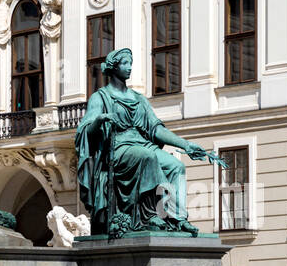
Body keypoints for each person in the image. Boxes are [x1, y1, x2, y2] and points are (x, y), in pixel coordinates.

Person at [74, 47, 224, 238]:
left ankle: (177, 218)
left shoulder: (138, 99)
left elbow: (156, 129)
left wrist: (184, 144)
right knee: (148, 157)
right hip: (120, 147)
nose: (129, 68)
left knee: (176, 166)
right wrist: (101, 120)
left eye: (131, 63)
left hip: (143, 145)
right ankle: (150, 215)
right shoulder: (101, 97)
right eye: (124, 63)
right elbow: (86, 128)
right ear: (113, 67)